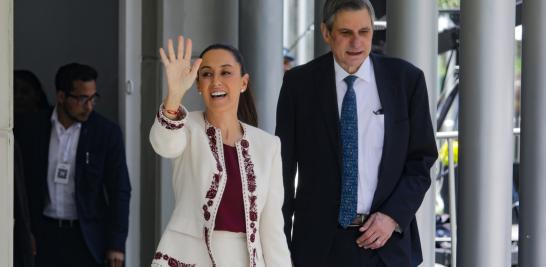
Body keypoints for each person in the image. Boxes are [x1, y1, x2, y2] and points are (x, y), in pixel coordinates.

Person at [275, 0, 438, 266]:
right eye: (346, 33)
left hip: (387, 244)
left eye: (364, 32)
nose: (357, 43)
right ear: (326, 33)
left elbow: (421, 161)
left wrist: (392, 216)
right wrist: (280, 247)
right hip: (319, 247)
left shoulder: (406, 81)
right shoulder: (299, 85)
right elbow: (282, 169)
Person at [149, 36, 291, 267]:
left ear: (243, 82)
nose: (215, 81)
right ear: (197, 84)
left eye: (226, 73)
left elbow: (273, 230)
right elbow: (163, 144)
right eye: (206, 74)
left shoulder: (268, 146)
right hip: (188, 259)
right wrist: (174, 95)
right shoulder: (185, 126)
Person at [14, 63, 132, 267]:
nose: (89, 106)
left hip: (86, 237)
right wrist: (26, 232)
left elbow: (119, 190)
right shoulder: (32, 128)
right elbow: (20, 184)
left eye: (93, 98)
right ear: (61, 97)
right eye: (82, 99)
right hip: (44, 234)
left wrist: (116, 245)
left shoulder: (105, 133)